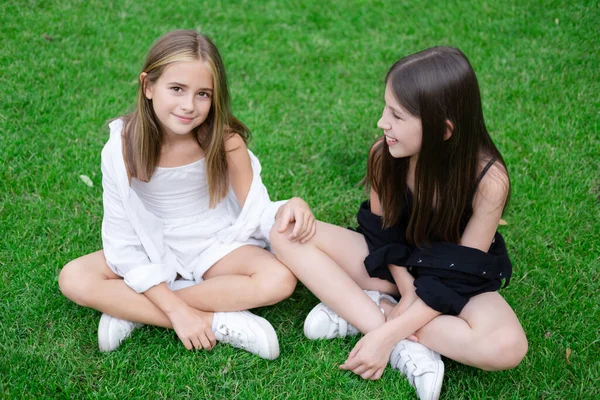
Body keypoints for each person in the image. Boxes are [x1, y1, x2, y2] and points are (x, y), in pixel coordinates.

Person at [270, 47, 528, 399]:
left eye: (397, 115)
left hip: (454, 281)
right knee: (284, 236)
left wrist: (390, 331)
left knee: (507, 347)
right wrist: (407, 292)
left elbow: (459, 272)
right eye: (385, 108)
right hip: (398, 267)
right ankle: (386, 324)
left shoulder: (489, 181)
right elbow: (383, 236)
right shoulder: (384, 155)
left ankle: (368, 314)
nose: (382, 122)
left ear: (444, 131)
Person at [58, 30, 316, 360]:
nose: (188, 106)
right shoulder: (122, 147)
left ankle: (131, 306)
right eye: (177, 89)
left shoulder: (225, 140)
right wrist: (178, 313)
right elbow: (122, 242)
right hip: (149, 242)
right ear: (148, 86)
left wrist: (287, 207)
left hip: (213, 240)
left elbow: (255, 208)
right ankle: (217, 319)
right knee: (74, 278)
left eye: (203, 94)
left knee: (278, 279)